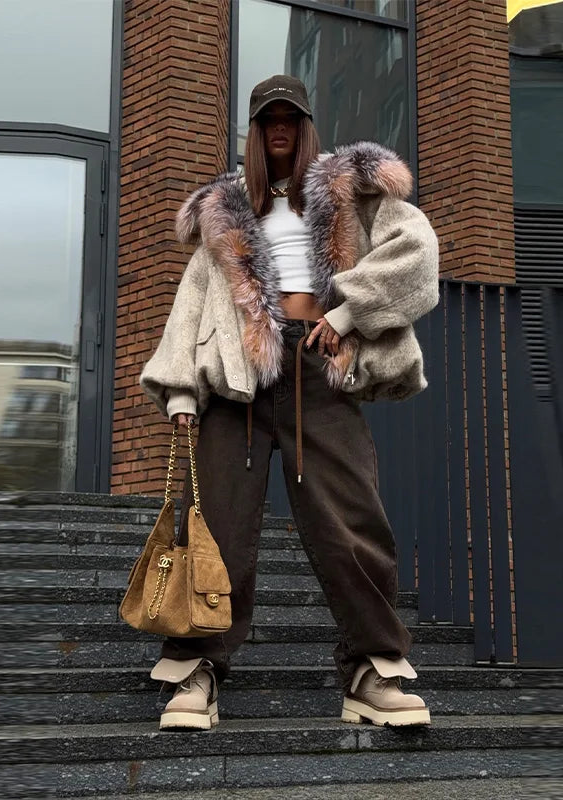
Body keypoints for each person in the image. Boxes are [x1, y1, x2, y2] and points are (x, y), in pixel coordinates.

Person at [139, 74, 440, 731]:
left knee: (353, 521)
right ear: (253, 132)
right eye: (267, 120)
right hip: (235, 384)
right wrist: (182, 387)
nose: (279, 128)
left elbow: (418, 256)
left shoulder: (353, 191)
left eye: (290, 119)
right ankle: (196, 669)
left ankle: (373, 670)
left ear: (306, 127)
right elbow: (194, 300)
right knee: (217, 527)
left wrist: (350, 312)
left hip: (317, 369)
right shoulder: (225, 206)